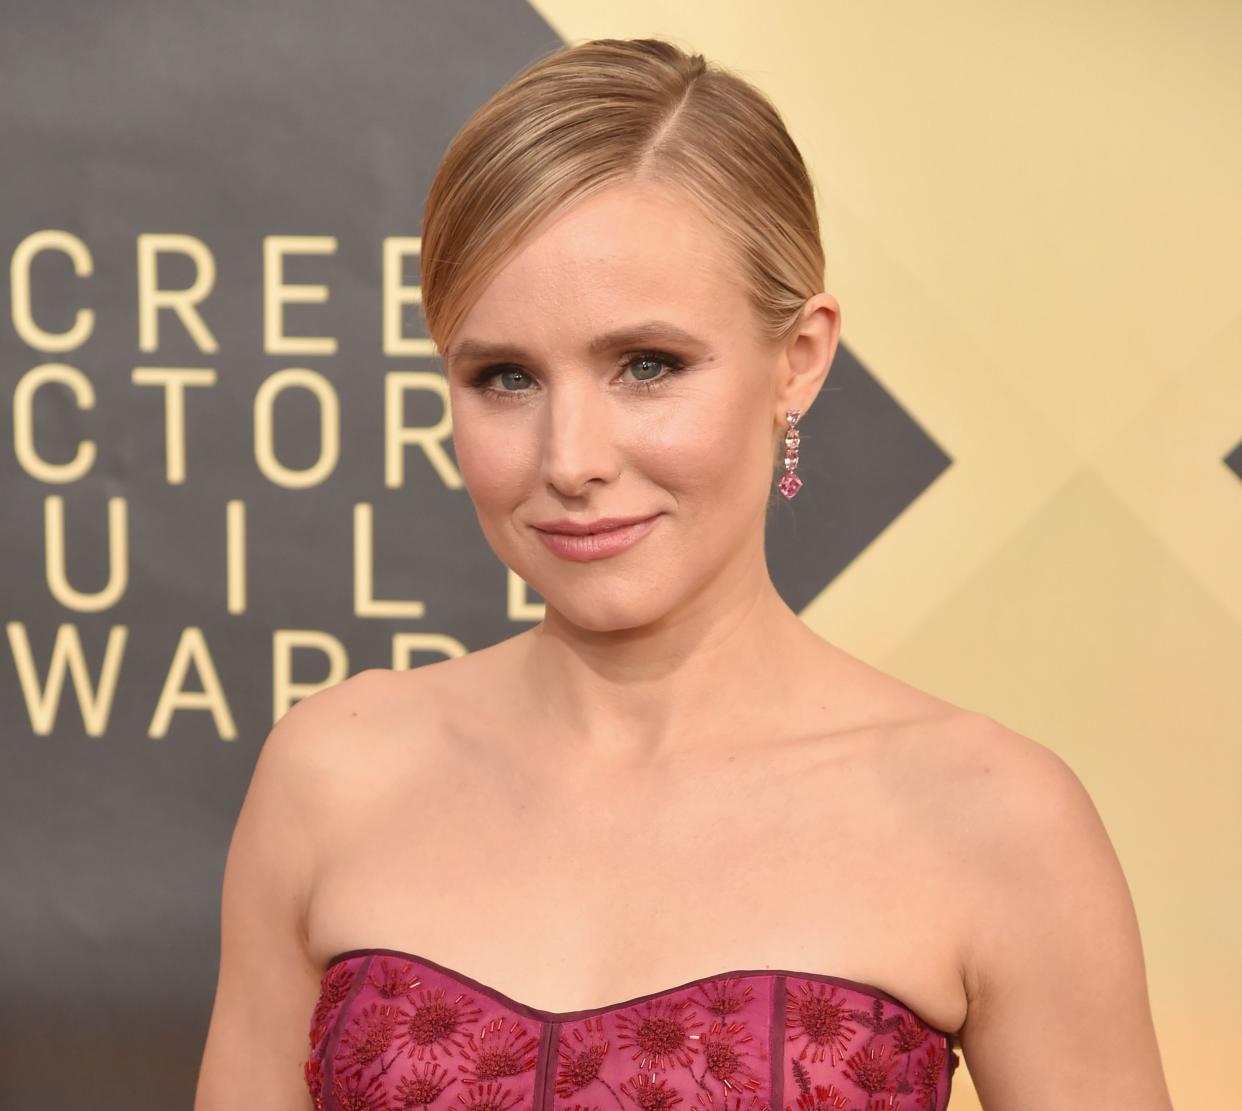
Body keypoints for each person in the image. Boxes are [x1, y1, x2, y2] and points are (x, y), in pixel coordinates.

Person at [195, 37, 1174, 1111]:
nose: (571, 458)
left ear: (798, 357)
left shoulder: (995, 817)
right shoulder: (330, 774)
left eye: (646, 366)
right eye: (505, 376)